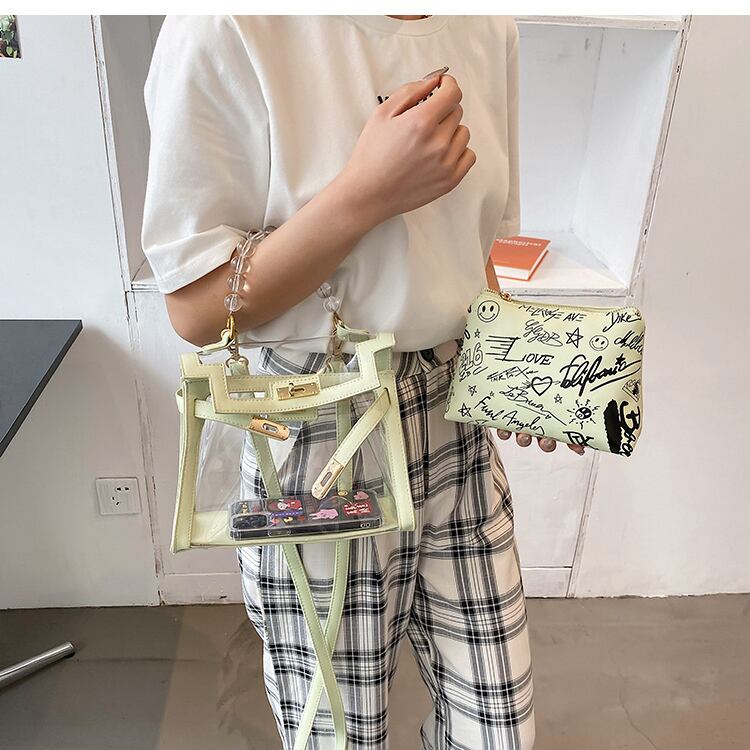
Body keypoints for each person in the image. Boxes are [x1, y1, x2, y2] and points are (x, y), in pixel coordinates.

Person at [142, 14, 583, 749]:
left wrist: (515, 373)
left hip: (455, 417)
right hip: (320, 430)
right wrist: (365, 193)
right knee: (339, 737)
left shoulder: (487, 24)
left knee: (499, 729)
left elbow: (476, 248)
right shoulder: (226, 24)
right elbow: (194, 306)